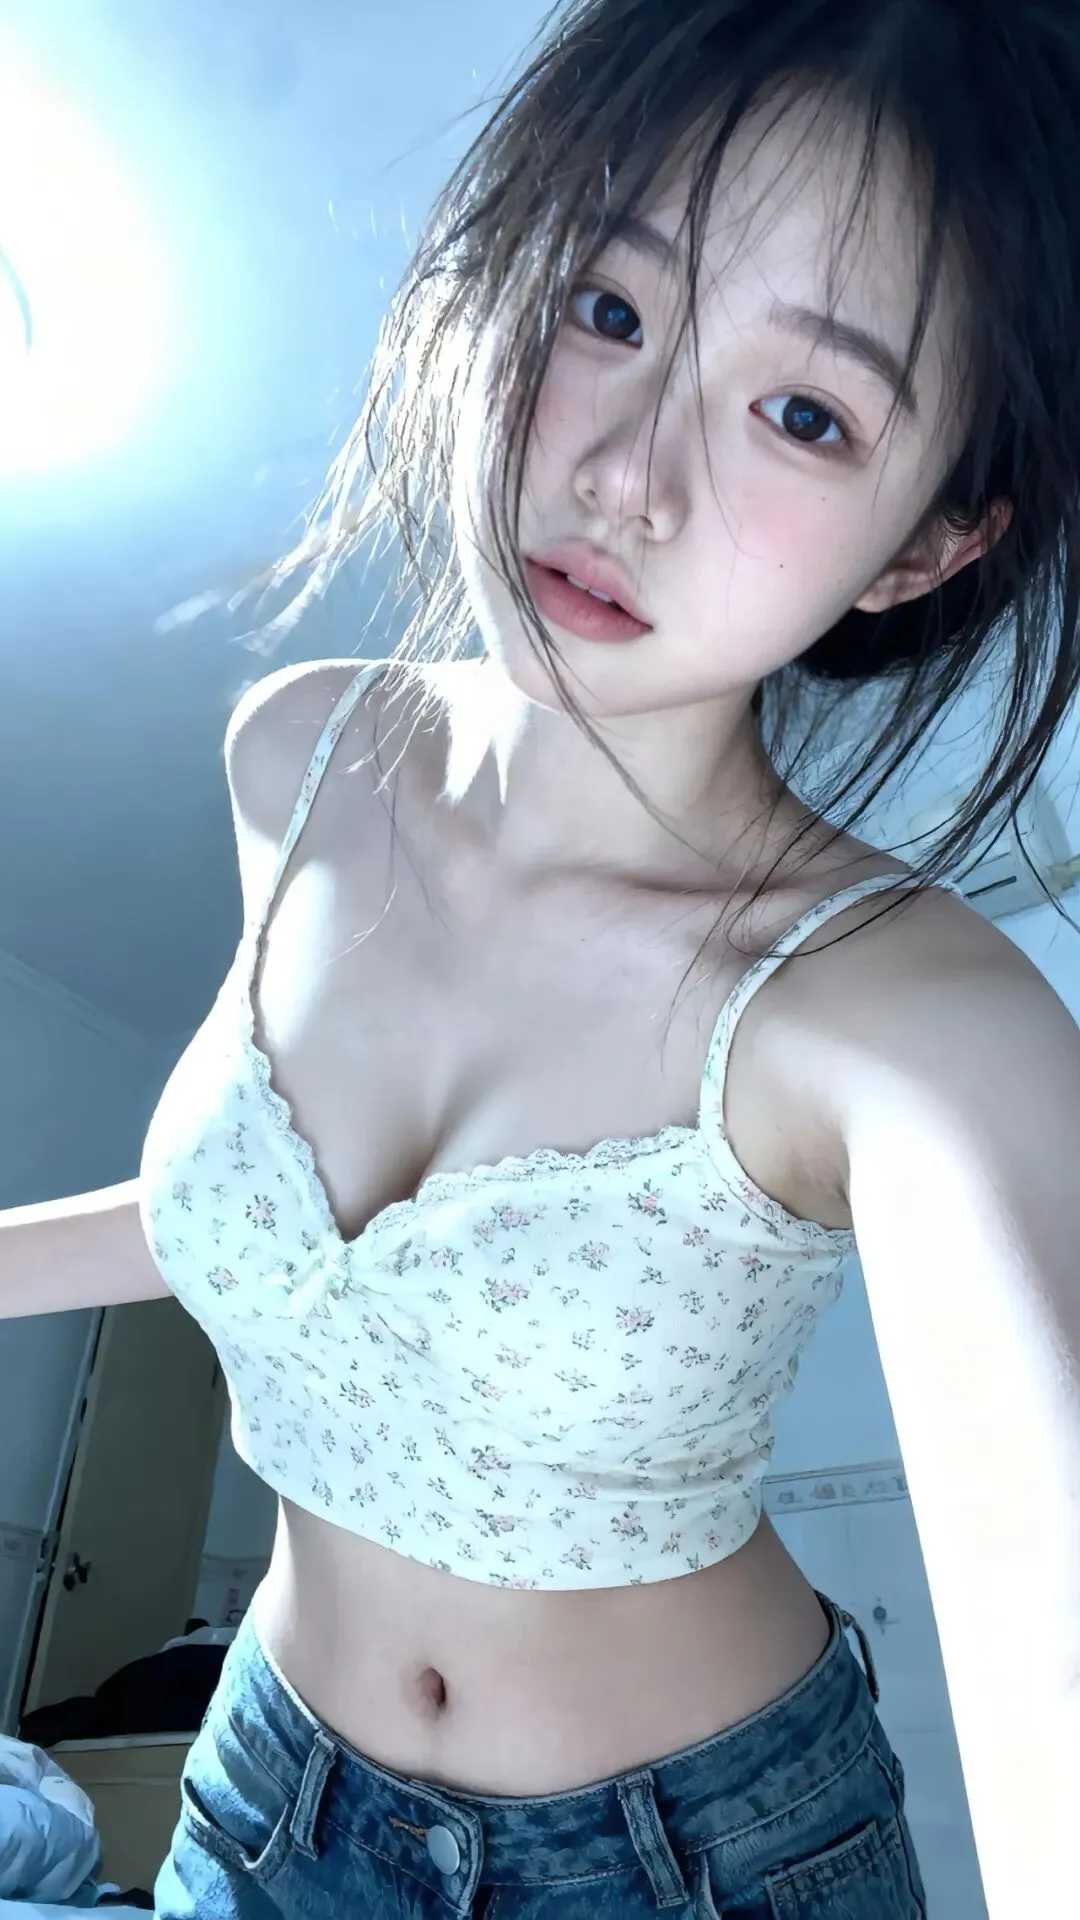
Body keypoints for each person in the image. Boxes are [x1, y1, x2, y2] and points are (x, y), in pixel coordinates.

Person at [4, 0, 1080, 1912]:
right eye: (608, 307)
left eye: (807, 414)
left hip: (693, 1863)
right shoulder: (298, 757)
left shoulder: (891, 1013)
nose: (628, 477)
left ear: (925, 547)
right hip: (259, 1800)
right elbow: (263, 1217)